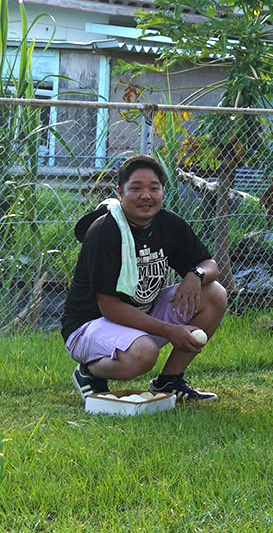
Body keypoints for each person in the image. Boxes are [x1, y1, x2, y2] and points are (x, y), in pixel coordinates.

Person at [61, 154, 227, 402]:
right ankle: (88, 371)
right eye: (135, 188)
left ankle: (169, 381)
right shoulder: (105, 231)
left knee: (214, 293)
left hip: (140, 314)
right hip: (89, 325)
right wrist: (171, 331)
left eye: (153, 188)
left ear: (162, 192)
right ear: (120, 192)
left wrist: (195, 274)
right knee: (143, 354)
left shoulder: (168, 224)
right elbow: (110, 307)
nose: (145, 195)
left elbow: (210, 265)